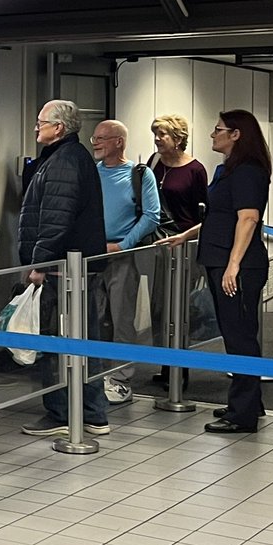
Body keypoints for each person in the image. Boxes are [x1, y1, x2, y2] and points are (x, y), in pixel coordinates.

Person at [162, 110, 271, 434]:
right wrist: (187, 235)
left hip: (237, 265)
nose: (212, 134)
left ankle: (243, 415)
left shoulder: (248, 172)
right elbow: (220, 215)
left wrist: (233, 265)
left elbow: (248, 219)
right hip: (221, 260)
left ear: (236, 134)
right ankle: (249, 402)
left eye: (218, 129)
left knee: (240, 338)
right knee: (236, 335)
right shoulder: (228, 171)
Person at [18, 99, 110, 438]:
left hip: (64, 269)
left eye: (41, 122)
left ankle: (62, 412)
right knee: (83, 339)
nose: (36, 127)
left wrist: (39, 263)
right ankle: (91, 412)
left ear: (58, 128)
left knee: (59, 341)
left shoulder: (64, 161)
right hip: (75, 265)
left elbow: (56, 219)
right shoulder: (68, 157)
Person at [90, 120, 160, 405]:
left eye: (101, 138)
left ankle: (120, 379)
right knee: (93, 318)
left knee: (121, 319)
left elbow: (151, 215)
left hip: (122, 257)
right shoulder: (91, 174)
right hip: (92, 258)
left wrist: (122, 245)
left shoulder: (140, 175)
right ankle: (94, 375)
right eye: (94, 137)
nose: (95, 142)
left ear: (119, 142)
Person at [148, 114, 207, 386]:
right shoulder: (153, 163)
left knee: (180, 307)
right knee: (160, 306)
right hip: (158, 243)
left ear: (179, 139)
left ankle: (180, 369)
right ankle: (165, 364)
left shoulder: (195, 170)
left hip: (184, 244)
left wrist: (188, 237)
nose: (158, 139)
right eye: (156, 134)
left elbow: (204, 213)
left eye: (163, 135)